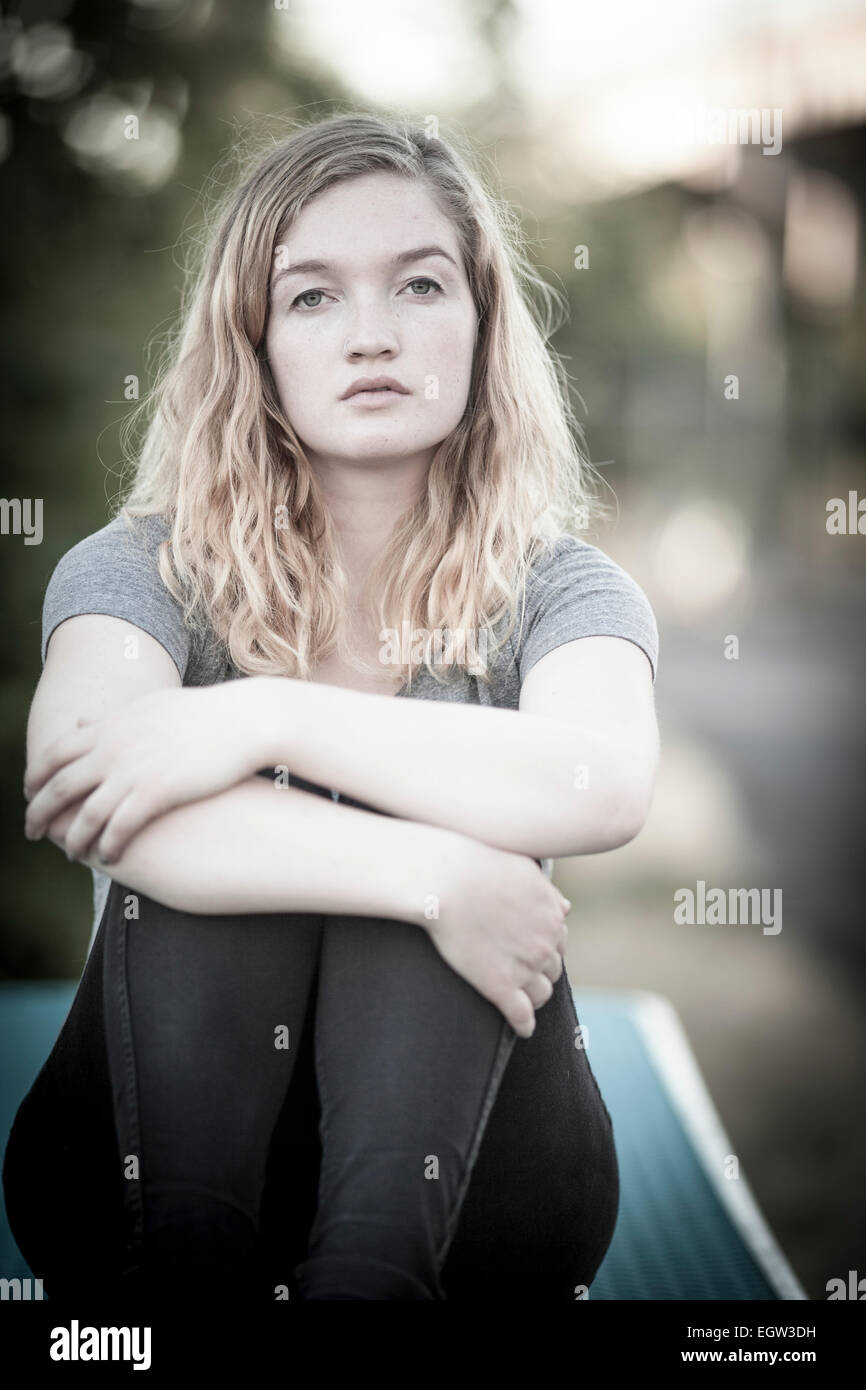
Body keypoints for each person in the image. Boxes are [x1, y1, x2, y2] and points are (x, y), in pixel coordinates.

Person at [3, 111, 660, 1303]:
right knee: (322, 858)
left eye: (417, 284)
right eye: (311, 297)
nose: (370, 335)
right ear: (252, 343)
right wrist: (434, 880)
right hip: (140, 1186)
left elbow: (598, 784)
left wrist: (263, 720)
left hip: (476, 1205)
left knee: (364, 822)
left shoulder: (564, 590)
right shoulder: (137, 571)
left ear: (479, 323)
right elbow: (75, 779)